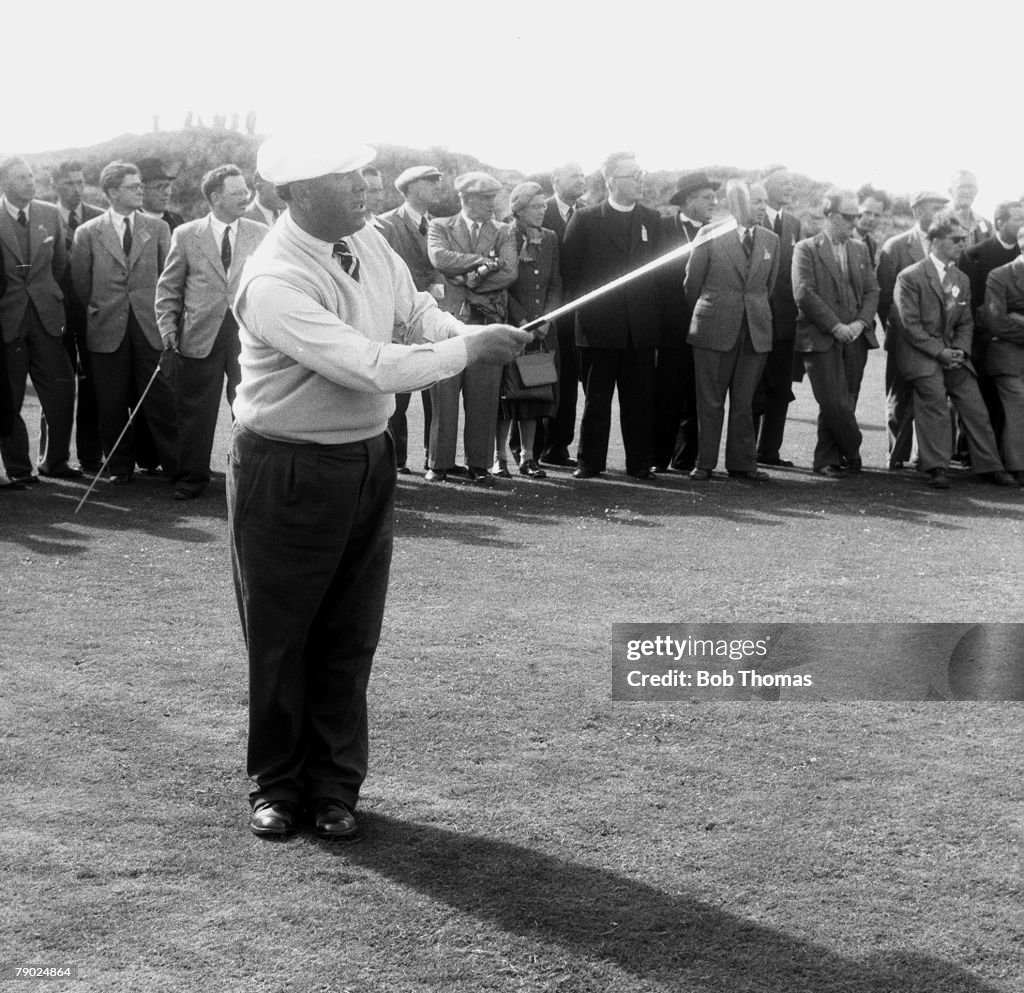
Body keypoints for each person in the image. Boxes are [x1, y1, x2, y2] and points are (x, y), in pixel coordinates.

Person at [228, 135, 530, 839]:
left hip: (367, 457)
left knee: (350, 631)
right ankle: (277, 785)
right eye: (343, 176)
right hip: (288, 467)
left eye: (363, 171)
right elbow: (366, 365)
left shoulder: (367, 239)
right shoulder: (273, 278)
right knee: (281, 637)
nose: (364, 185)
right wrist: (468, 351)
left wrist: (469, 329)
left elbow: (417, 315)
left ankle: (334, 786)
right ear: (293, 192)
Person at [155, 165, 267, 500]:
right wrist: (168, 328)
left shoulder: (261, 232)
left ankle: (250, 477)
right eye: (236, 192)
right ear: (215, 197)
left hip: (248, 336)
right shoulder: (187, 234)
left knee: (250, 409)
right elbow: (169, 287)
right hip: (199, 336)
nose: (244, 196)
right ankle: (192, 478)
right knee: (194, 413)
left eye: (244, 190)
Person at [892, 211, 1015, 489]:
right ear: (935, 240)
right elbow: (909, 326)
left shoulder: (962, 278)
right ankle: (936, 467)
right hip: (922, 355)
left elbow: (966, 322)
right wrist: (940, 352)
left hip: (953, 356)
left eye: (964, 238)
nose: (963, 244)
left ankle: (990, 466)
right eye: (956, 239)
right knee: (933, 399)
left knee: (975, 405)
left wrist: (959, 349)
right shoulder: (910, 277)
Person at [71, 161, 176, 485]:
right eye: (133, 186)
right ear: (112, 192)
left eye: (140, 185)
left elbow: (167, 278)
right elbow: (81, 283)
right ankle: (119, 467)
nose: (141, 190)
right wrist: (104, 307)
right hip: (106, 326)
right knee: (111, 401)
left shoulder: (158, 229)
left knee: (160, 397)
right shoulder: (87, 232)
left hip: (148, 324)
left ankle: (175, 466)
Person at [560, 151, 663, 480]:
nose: (640, 180)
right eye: (632, 175)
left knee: (640, 401)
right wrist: (585, 317)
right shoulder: (587, 219)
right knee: (596, 401)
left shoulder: (652, 219)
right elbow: (570, 275)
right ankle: (589, 462)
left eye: (640, 174)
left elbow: (659, 277)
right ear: (610, 182)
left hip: (640, 329)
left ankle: (639, 462)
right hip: (597, 328)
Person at [684, 180, 779, 482]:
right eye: (757, 202)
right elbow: (691, 285)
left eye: (765, 202)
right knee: (710, 400)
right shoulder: (709, 235)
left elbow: (768, 286)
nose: (763, 208)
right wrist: (715, 311)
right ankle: (705, 463)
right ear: (738, 203)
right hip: (713, 329)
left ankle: (742, 464)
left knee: (744, 401)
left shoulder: (771, 240)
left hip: (755, 331)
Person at [426, 171, 518, 483]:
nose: (494, 204)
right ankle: (438, 464)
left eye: (495, 197)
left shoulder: (505, 231)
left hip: (487, 322)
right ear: (466, 198)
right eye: (487, 198)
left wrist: (465, 279)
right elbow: (439, 258)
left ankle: (479, 464)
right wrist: (482, 262)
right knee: (445, 396)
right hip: (450, 323)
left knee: (484, 396)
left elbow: (509, 273)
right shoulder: (440, 225)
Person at [0, 156, 79, 484]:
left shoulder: (48, 213)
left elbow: (59, 264)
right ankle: (19, 469)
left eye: (32, 176)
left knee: (61, 390)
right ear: (5, 182)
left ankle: (55, 462)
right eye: (21, 177)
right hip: (8, 320)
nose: (30, 182)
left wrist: (46, 295)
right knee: (8, 397)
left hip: (47, 317)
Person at [792, 190, 880, 475]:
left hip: (855, 336)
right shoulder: (806, 248)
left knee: (848, 398)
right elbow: (804, 293)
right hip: (820, 336)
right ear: (830, 216)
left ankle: (827, 459)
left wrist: (860, 323)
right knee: (833, 401)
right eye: (848, 217)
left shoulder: (860, 248)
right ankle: (852, 447)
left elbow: (872, 290)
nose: (855, 223)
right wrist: (835, 326)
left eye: (857, 216)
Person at [877, 190, 949, 470]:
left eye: (944, 206)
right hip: (903, 337)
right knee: (898, 399)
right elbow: (885, 298)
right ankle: (896, 455)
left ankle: (925, 456)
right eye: (935, 206)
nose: (941, 211)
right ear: (917, 210)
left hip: (936, 339)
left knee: (934, 398)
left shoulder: (945, 245)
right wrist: (898, 333)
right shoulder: (895, 246)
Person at [652, 170, 719, 474]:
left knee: (697, 394)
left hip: (706, 325)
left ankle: (686, 459)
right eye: (707, 198)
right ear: (688, 200)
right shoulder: (662, 227)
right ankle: (657, 458)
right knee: (666, 393)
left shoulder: (717, 231)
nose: (713, 203)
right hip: (668, 324)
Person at [380, 164, 445, 474]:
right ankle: (397, 460)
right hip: (399, 321)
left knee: (436, 394)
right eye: (429, 181)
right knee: (398, 398)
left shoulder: (440, 225)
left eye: (436, 181)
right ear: (409, 187)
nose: (435, 186)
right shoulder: (387, 224)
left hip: (431, 317)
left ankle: (435, 459)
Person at [494, 182, 561, 479]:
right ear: (519, 209)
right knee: (506, 396)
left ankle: (528, 457)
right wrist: (522, 320)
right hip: (512, 327)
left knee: (534, 393)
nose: (542, 211)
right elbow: (502, 285)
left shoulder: (550, 238)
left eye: (544, 206)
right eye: (535, 207)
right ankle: (499, 459)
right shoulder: (505, 234)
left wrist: (547, 318)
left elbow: (556, 283)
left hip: (542, 332)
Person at [50, 159, 104, 473]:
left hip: (90, 314)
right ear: (56, 185)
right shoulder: (44, 216)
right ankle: (53, 457)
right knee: (57, 385)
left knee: (93, 384)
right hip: (54, 314)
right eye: (69, 183)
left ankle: (91, 455)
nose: (76, 189)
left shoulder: (98, 219)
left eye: (81, 182)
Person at [753, 166, 803, 468]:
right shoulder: (751, 217)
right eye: (783, 182)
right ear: (765, 183)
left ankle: (769, 451)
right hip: (756, 319)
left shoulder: (795, 224)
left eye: (792, 182)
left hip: (786, 322)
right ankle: (746, 452)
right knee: (753, 387)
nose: (789, 187)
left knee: (781, 388)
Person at [538, 161, 585, 468]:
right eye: (574, 176)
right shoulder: (537, 210)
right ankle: (527, 446)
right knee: (537, 376)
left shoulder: (588, 213)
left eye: (583, 176)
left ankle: (558, 446)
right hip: (543, 311)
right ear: (556, 180)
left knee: (567, 382)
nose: (581, 181)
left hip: (578, 311)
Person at [982, 231, 1024, 481]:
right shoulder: (1000, 275)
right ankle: (1018, 467)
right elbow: (997, 322)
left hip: (1012, 347)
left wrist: (1017, 316)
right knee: (1020, 403)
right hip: (1006, 357)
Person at [138, 157, 185, 232]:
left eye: (167, 186)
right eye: (159, 187)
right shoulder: (130, 223)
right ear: (141, 190)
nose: (167, 193)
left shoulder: (176, 220)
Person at [948, 170, 991, 248]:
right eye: (962, 187)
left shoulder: (983, 223)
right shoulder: (941, 221)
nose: (967, 191)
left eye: (971, 187)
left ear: (977, 191)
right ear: (950, 191)